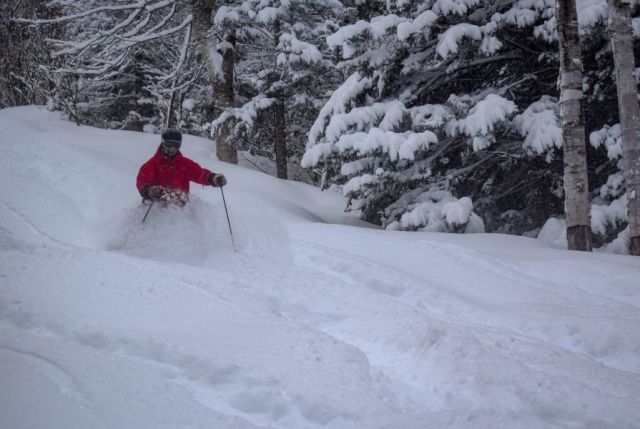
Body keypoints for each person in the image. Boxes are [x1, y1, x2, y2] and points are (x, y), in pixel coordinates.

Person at [137, 129, 227, 205]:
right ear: (163, 143)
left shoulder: (185, 164)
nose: (173, 148)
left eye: (177, 145)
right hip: (156, 210)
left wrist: (213, 178)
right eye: (169, 144)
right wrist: (149, 190)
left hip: (180, 212)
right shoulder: (151, 165)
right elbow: (142, 183)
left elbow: (200, 174)